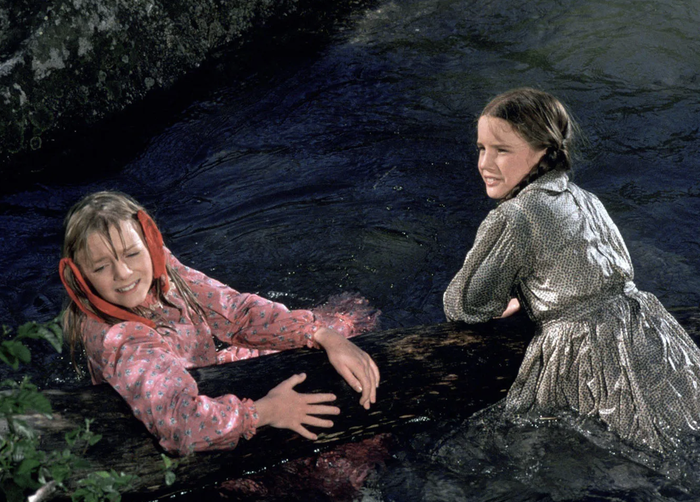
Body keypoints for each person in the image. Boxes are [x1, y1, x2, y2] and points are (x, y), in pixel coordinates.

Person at [443, 87, 700, 452]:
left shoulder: (513, 216)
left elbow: (463, 304)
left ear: (543, 152)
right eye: (481, 148)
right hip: (647, 329)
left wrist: (508, 299)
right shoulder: (586, 198)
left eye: (501, 150)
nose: (485, 163)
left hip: (584, 350)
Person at [59, 191, 380, 455]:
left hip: (206, 374)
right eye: (101, 267)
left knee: (346, 323)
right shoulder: (123, 340)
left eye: (131, 254)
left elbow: (235, 313)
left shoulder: (160, 266)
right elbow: (181, 424)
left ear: (151, 244)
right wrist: (266, 412)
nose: (124, 274)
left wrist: (319, 332)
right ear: (79, 278)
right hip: (193, 424)